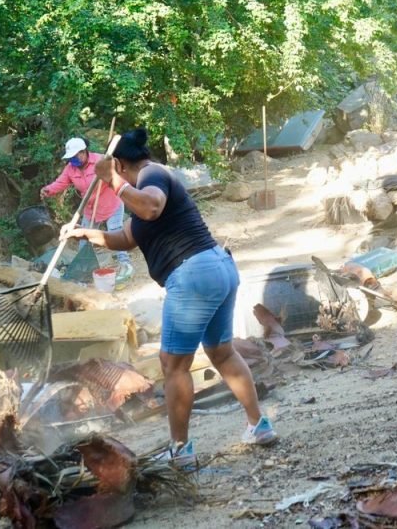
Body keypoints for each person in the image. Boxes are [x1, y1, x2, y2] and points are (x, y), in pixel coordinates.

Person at [63, 128, 276, 466]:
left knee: (173, 365)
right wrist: (83, 234)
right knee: (221, 352)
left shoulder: (152, 174)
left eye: (112, 172)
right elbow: (125, 238)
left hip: (193, 274)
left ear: (118, 163)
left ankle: (180, 450)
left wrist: (114, 183)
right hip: (217, 268)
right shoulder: (147, 186)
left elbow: (150, 207)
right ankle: (259, 425)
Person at [41, 138, 133, 283]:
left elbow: (120, 174)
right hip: (91, 208)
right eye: (70, 157)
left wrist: (109, 174)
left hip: (111, 202)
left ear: (84, 152)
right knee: (84, 238)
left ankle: (125, 264)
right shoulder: (70, 168)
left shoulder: (101, 161)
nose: (73, 159)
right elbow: (61, 182)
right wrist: (48, 190)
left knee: (116, 232)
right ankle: (84, 267)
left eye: (75, 156)